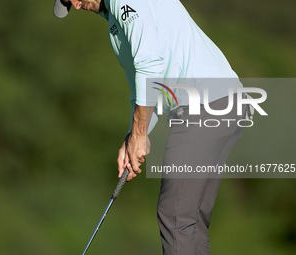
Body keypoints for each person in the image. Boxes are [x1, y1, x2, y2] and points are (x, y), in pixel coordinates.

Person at [53, 0, 246, 254]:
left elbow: (150, 64)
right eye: (69, 4)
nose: (76, 6)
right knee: (190, 221)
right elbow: (143, 92)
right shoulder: (115, 23)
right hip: (221, 101)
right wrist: (132, 138)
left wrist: (139, 134)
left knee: (175, 217)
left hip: (204, 103)